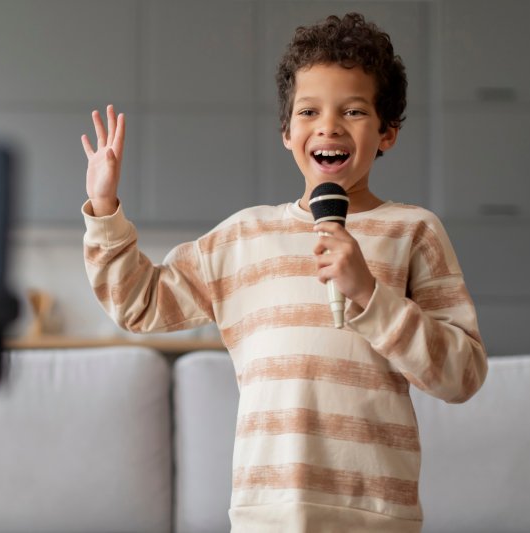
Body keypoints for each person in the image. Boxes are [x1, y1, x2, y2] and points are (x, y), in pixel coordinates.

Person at [79, 12, 487, 533]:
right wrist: (105, 206)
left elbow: (462, 376)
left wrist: (369, 294)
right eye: (309, 110)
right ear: (286, 131)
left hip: (375, 516)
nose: (329, 126)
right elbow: (138, 303)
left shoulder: (414, 231)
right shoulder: (243, 237)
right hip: (266, 515)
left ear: (388, 132)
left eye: (354, 110)